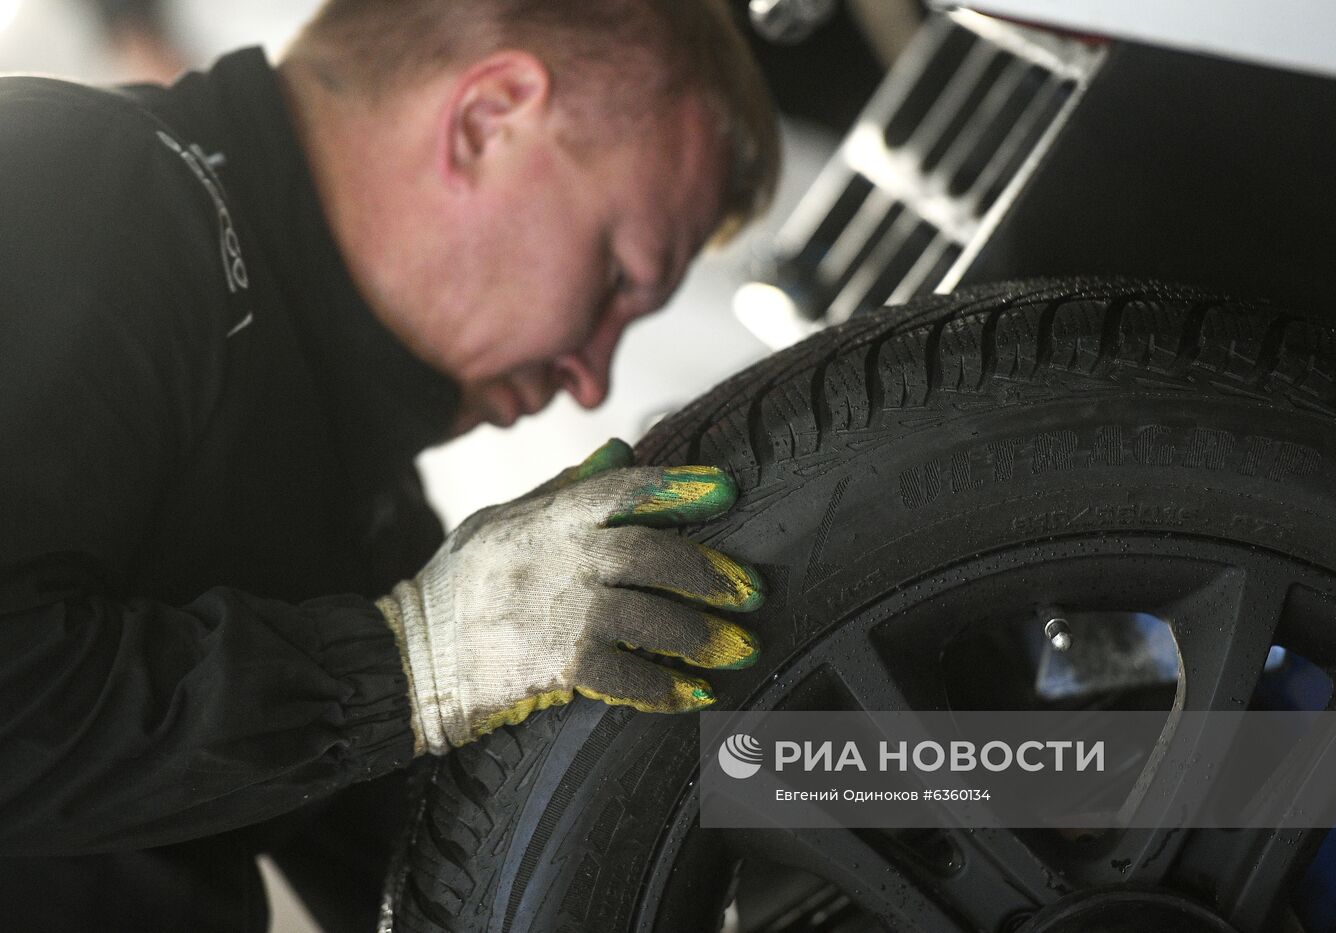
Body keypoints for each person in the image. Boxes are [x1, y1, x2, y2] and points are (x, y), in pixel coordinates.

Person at [0, 0, 780, 929]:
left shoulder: (344, 494)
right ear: (489, 119)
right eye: (618, 276)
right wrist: (408, 663)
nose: (590, 374)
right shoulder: (70, 185)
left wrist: (933, 778)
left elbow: (478, 863)